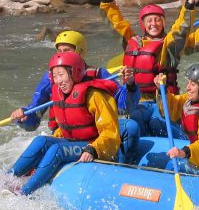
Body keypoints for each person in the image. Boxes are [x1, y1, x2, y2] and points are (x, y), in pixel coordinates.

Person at [10, 30, 140, 164]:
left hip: (93, 134)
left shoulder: (98, 74)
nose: (61, 55)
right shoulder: (51, 78)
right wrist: (23, 117)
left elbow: (125, 107)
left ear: (80, 51)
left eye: (66, 50)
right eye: (59, 51)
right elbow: (33, 120)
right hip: (63, 135)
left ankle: (124, 164)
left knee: (131, 127)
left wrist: (130, 85)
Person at [8, 51, 121, 195]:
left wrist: (93, 149)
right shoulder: (60, 94)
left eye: (61, 75)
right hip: (73, 142)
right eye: (54, 76)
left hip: (94, 146)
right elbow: (66, 128)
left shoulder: (95, 95)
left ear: (75, 73)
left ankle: (24, 192)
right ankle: (8, 178)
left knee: (57, 150)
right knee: (41, 141)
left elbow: (110, 132)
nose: (58, 81)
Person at [100, 0, 199, 135]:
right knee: (133, 123)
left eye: (158, 20)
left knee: (156, 123)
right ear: (143, 24)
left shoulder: (170, 44)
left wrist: (190, 2)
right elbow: (116, 23)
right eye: (149, 21)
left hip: (163, 100)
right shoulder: (133, 41)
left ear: (163, 23)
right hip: (137, 100)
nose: (154, 24)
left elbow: (182, 28)